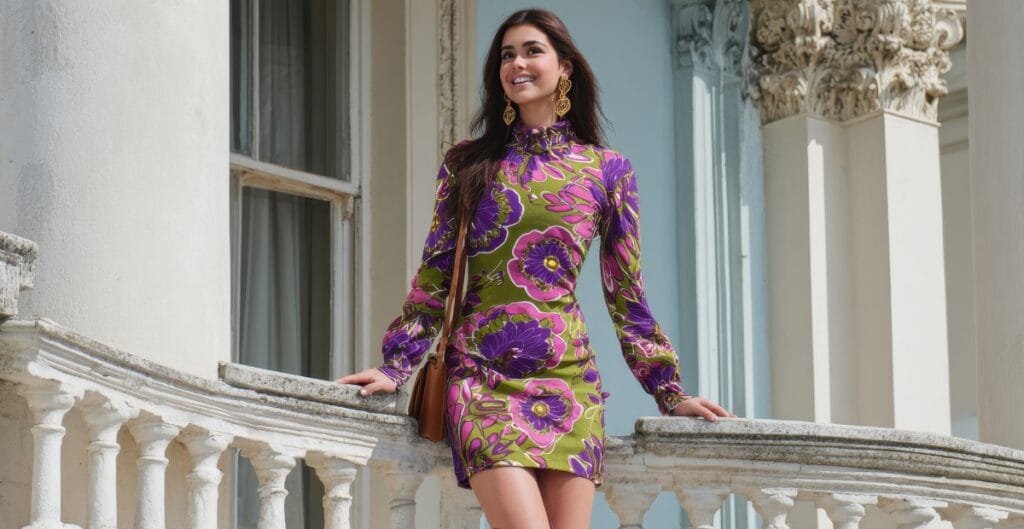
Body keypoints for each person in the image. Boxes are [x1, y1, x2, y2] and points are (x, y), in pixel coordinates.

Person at [337, 8, 735, 529]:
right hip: (481, 377)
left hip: (568, 383)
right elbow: (435, 275)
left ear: (565, 67)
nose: (516, 64)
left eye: (531, 51)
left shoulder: (607, 172)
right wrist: (396, 364)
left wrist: (669, 390)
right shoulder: (467, 164)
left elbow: (625, 295)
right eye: (507, 55)